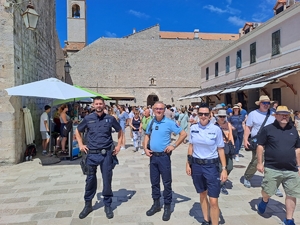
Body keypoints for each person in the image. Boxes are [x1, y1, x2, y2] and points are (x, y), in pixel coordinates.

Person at [75, 96, 122, 220]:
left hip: (106, 154)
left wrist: (119, 145)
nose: (99, 106)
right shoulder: (88, 118)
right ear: (93, 106)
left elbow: (120, 130)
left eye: (101, 103)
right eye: (97, 104)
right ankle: (88, 204)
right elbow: (78, 131)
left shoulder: (110, 119)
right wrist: (80, 144)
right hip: (91, 154)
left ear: (104, 105)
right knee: (90, 179)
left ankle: (107, 204)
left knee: (107, 180)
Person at [256, 106, 300, 225]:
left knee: (292, 194)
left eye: (286, 114)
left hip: (291, 169)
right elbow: (260, 146)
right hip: (272, 167)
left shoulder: (293, 130)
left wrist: (299, 166)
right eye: (281, 114)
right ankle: (265, 200)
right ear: (276, 116)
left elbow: (297, 149)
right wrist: (260, 163)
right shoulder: (268, 129)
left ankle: (289, 219)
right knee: (267, 191)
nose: (284, 116)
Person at [144, 101, 187, 221]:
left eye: (161, 109)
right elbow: (147, 135)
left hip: (164, 157)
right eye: (156, 108)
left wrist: (173, 145)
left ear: (164, 110)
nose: (158, 110)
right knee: (154, 182)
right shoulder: (151, 121)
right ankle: (156, 204)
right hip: (153, 157)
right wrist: (145, 148)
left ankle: (167, 206)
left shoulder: (169, 122)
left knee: (167, 183)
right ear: (153, 109)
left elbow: (183, 134)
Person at [186, 104, 227, 225]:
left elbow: (220, 149)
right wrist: (188, 163)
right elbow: (191, 146)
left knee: (213, 200)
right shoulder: (193, 128)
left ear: (210, 115)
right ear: (197, 115)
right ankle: (206, 220)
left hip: (211, 166)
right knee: (202, 194)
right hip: (197, 165)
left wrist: (224, 168)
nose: (203, 116)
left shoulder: (216, 129)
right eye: (200, 114)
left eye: (206, 114)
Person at [243, 95, 283, 196]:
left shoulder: (273, 114)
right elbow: (248, 127)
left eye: (268, 103)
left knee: (272, 163)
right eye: (264, 103)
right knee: (256, 160)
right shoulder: (253, 114)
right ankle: (247, 177)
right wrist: (245, 139)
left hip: (271, 143)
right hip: (258, 142)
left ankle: (273, 186)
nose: (266, 105)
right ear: (260, 104)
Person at [215, 109, 234, 195]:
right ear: (218, 117)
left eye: (224, 116)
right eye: (221, 116)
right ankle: (220, 184)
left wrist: (233, 145)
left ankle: (221, 180)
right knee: (220, 167)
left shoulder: (228, 124)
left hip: (228, 147)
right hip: (218, 148)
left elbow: (231, 135)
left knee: (229, 167)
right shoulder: (215, 126)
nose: (222, 118)